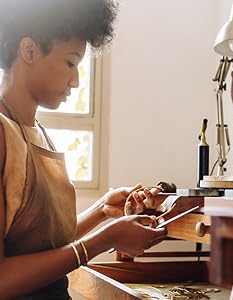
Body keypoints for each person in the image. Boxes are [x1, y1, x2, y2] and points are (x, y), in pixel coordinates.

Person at [0, 0, 167, 299]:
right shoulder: (2, 133)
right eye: (70, 62)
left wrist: (102, 210)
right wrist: (104, 240)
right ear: (29, 51)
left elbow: (41, 244)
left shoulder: (38, 133)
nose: (76, 81)